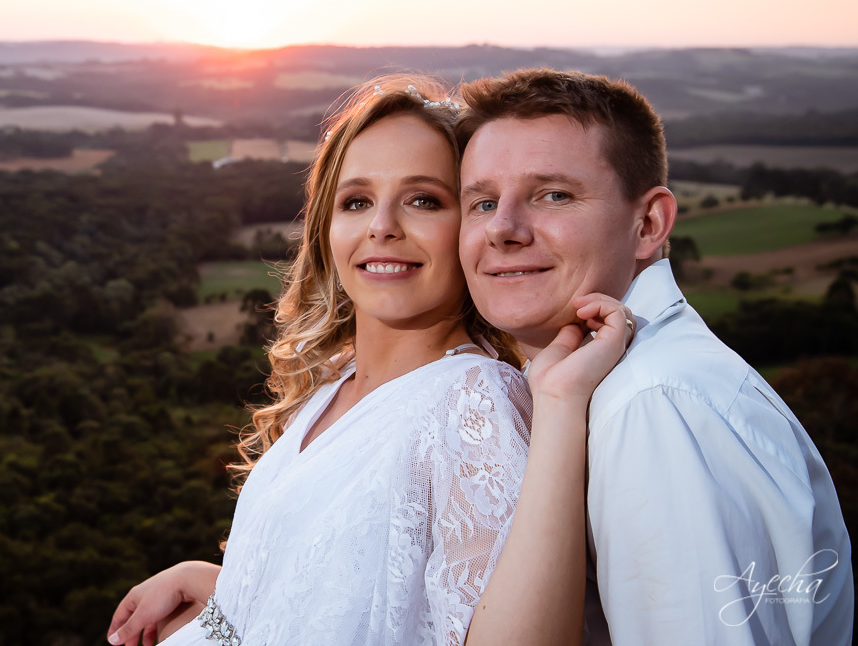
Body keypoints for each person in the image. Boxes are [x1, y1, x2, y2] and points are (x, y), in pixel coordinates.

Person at [107, 75, 633, 646]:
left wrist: (559, 405)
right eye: (356, 201)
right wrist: (221, 589)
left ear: (472, 224)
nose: (382, 226)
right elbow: (353, 596)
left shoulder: (472, 402)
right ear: (327, 230)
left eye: (423, 200)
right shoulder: (336, 382)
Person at [455, 67, 854, 645]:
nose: (504, 228)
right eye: (484, 201)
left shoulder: (655, 407)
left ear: (648, 224)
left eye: (554, 195)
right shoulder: (597, 384)